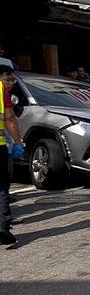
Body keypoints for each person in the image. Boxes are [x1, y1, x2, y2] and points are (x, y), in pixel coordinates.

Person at [0, 62, 25, 244]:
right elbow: (9, 117)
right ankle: (2, 227)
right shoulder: (1, 90)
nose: (10, 83)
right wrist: (18, 142)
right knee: (1, 187)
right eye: (9, 79)